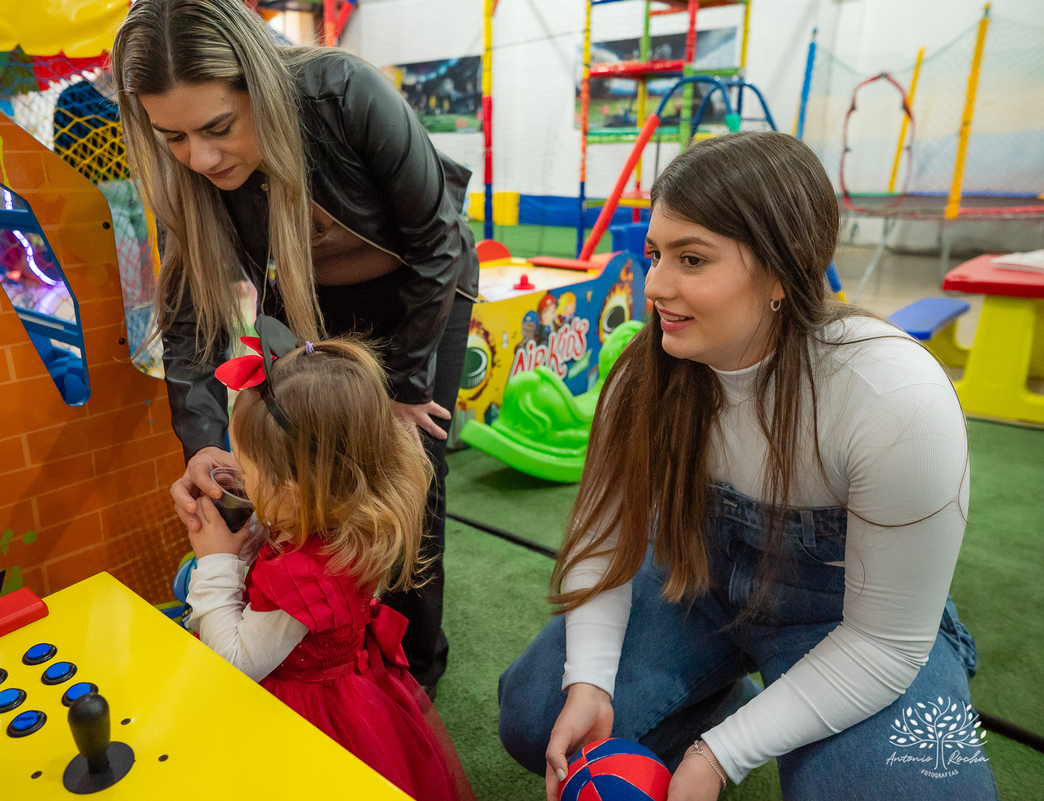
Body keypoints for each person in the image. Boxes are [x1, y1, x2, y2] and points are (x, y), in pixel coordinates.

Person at [496, 132, 997, 801]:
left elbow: (884, 646)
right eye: (656, 254)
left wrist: (716, 756)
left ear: (782, 274)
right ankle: (720, 695)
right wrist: (586, 677)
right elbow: (605, 542)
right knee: (535, 717)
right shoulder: (644, 376)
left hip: (845, 622)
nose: (656, 285)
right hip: (693, 586)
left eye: (692, 258)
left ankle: (737, 718)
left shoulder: (896, 398)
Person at [111, 0, 478, 694]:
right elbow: (188, 315)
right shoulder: (189, 171)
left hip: (424, 289)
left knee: (406, 471)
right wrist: (200, 441)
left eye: (218, 128)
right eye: (175, 138)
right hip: (310, 296)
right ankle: (334, 636)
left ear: (258, 84)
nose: (202, 157)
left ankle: (415, 665)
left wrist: (402, 389)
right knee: (308, 465)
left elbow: (437, 241)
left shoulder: (343, 91)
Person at [182, 334, 471, 801]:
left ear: (294, 488)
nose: (236, 469)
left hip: (305, 718)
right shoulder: (344, 518)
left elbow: (234, 664)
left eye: (247, 464)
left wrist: (214, 560)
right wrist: (258, 525)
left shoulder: (300, 575)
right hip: (356, 688)